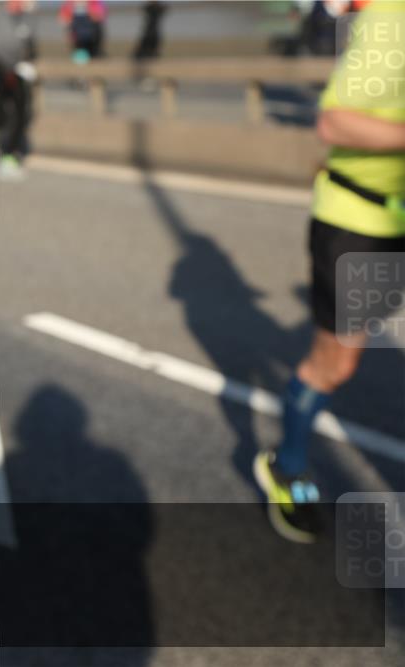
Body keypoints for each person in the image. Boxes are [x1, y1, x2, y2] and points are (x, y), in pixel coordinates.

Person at [254, 1, 405, 543]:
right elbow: (334, 121)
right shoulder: (392, 21)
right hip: (360, 222)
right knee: (336, 364)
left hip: (394, 214)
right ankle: (288, 466)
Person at [0, 0, 37, 179]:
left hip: (19, 74)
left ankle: (9, 154)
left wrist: (27, 64)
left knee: (21, 114)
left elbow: (30, 46)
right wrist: (0, 68)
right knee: (1, 114)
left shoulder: (26, 20)